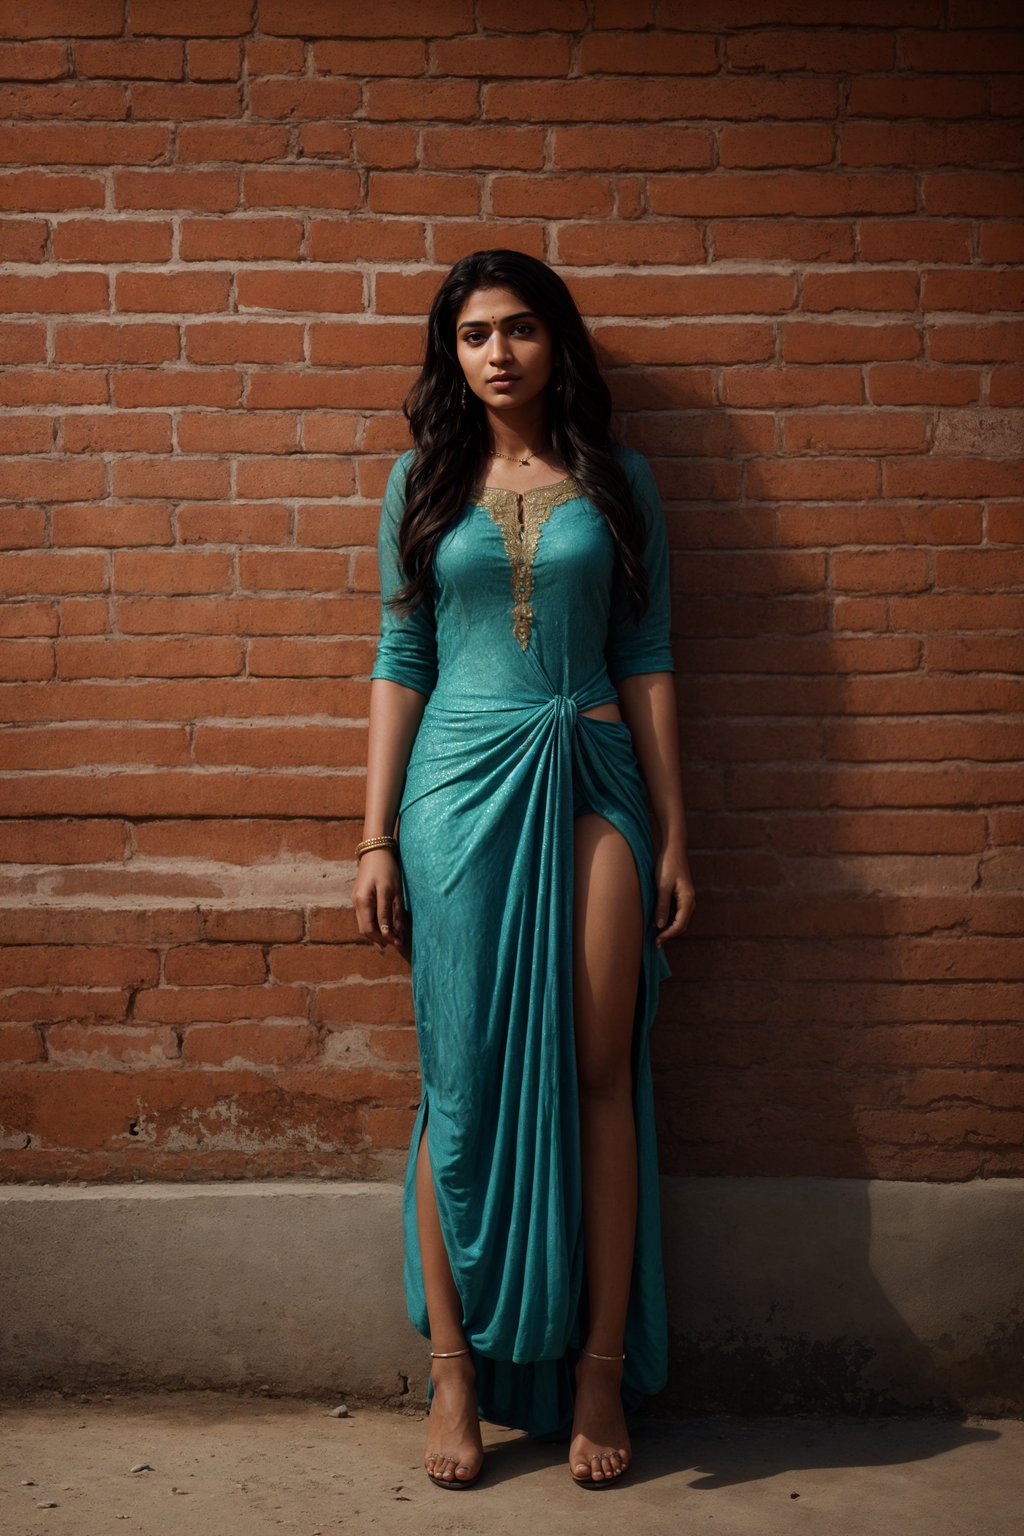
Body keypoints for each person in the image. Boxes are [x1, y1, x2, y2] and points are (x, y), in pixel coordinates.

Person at [353, 249, 694, 1491]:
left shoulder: (620, 482)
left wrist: (675, 833)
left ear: (559, 345)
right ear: (450, 355)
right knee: (463, 1074)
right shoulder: (420, 482)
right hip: (454, 794)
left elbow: (647, 653)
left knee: (604, 1065)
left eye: (522, 329)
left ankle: (598, 1365)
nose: (498, 352)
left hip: (592, 778)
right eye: (473, 334)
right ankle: (455, 1373)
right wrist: (376, 834)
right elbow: (401, 658)